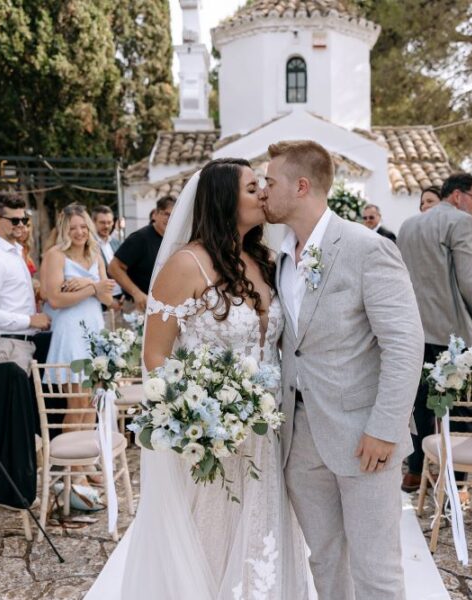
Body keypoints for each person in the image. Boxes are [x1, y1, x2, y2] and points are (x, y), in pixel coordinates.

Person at [86, 159, 311, 599]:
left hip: (267, 431)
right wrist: (200, 416)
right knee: (212, 536)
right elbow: (155, 355)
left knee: (262, 538)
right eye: (252, 188)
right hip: (213, 435)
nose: (263, 194)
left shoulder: (265, 261)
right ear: (224, 199)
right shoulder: (186, 265)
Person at [266, 140, 424, 600]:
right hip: (299, 436)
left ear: (301, 186)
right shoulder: (280, 256)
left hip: (364, 436)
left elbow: (404, 343)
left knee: (376, 569)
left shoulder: (366, 248)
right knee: (325, 559)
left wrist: (385, 428)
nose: (263, 191)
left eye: (270, 182)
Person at [396, 172, 472, 492]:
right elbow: (470, 281)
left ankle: (416, 471)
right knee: (459, 406)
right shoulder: (461, 221)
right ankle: (456, 481)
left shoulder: (409, 225)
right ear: (457, 196)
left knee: (421, 404)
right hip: (452, 331)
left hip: (414, 328)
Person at [40, 204, 115, 436]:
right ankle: (72, 457)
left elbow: (108, 298)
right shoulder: (56, 255)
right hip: (71, 332)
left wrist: (89, 283)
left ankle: (87, 453)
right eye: (73, 228)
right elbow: (55, 299)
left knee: (92, 401)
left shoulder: (95, 255)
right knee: (77, 402)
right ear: (64, 230)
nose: (79, 232)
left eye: (83, 227)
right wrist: (92, 288)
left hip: (94, 330)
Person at [0, 196, 51, 373]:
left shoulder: (15, 252)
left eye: (24, 219)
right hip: (5, 346)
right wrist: (30, 320)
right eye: (14, 220)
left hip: (19, 345)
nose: (21, 225)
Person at [109, 196, 174, 312]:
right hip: (137, 307)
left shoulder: (173, 240)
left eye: (173, 215)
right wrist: (136, 293)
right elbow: (113, 267)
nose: (169, 219)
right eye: (166, 214)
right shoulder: (140, 238)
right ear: (155, 214)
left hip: (162, 307)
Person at [91, 205, 123, 304]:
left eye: (109, 222)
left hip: (120, 297)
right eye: (102, 222)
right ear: (93, 222)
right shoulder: (88, 246)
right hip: (100, 300)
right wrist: (110, 303)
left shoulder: (116, 243)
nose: (106, 226)